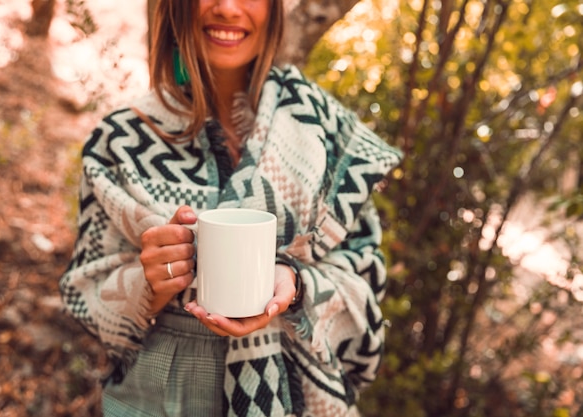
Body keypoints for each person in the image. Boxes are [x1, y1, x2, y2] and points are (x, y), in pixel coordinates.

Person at [59, 0, 403, 416]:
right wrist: (147, 282)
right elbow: (83, 293)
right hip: (158, 396)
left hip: (301, 398)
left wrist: (295, 284)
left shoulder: (328, 132)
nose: (226, 7)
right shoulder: (120, 138)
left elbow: (367, 278)